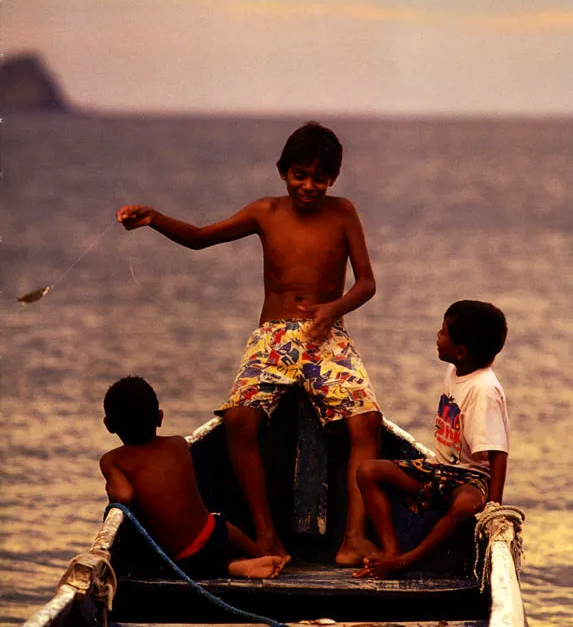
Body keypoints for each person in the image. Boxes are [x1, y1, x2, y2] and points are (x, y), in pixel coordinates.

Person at [116, 122, 383, 566]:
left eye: (320, 178)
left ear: (333, 178)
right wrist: (155, 219)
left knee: (366, 423)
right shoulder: (265, 212)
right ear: (283, 171)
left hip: (326, 333)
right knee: (240, 420)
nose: (309, 186)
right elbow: (201, 237)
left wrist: (333, 309)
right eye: (300, 174)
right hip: (273, 335)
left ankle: (353, 538)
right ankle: (266, 536)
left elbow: (367, 283)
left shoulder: (344, 213)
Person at [354, 300, 509, 579]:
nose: (437, 337)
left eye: (443, 333)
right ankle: (391, 551)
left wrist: (493, 506)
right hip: (439, 470)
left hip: (470, 479)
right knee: (369, 471)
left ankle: (406, 561)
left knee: (464, 506)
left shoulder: (484, 390)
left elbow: (498, 453)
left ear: (460, 352)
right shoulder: (456, 370)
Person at [100, 376, 287, 579]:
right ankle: (262, 555)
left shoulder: (112, 459)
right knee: (220, 523)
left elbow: (124, 495)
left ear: (108, 425)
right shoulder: (178, 444)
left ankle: (234, 567)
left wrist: (112, 483)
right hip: (214, 538)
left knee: (179, 560)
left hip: (183, 559)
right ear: (160, 417)